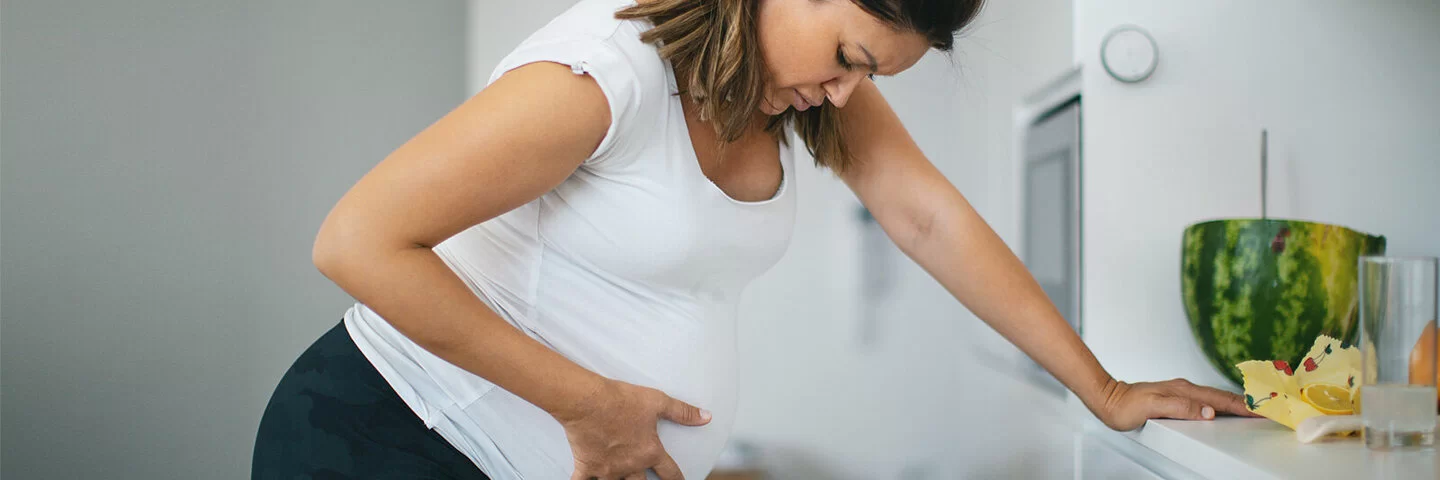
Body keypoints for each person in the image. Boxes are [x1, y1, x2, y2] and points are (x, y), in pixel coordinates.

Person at [253, 0, 1257, 479]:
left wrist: (1107, 390)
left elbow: (931, 218)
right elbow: (358, 241)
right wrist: (593, 405)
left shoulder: (802, 96)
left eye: (872, 78)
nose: (846, 93)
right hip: (387, 436)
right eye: (848, 58)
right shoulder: (604, 75)